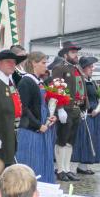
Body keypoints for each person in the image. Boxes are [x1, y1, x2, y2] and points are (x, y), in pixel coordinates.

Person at [15, 51, 57, 183]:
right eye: (43, 63)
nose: (46, 66)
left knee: (43, 163)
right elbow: (24, 108)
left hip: (42, 128)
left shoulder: (39, 81)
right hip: (31, 131)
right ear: (34, 63)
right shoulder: (26, 82)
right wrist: (38, 125)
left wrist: (50, 117)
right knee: (33, 165)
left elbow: (42, 105)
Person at [51, 41, 86, 181]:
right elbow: (56, 88)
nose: (76, 55)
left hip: (77, 109)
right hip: (66, 109)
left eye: (76, 52)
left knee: (71, 141)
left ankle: (67, 169)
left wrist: (84, 107)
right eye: (73, 52)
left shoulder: (77, 68)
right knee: (62, 140)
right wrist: (59, 108)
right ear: (65, 55)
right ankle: (60, 170)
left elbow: (82, 88)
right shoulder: (60, 68)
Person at [71, 56, 100, 176]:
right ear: (83, 68)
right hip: (85, 113)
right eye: (90, 67)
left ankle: (84, 165)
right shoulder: (80, 80)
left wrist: (97, 109)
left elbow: (97, 97)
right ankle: (75, 165)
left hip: (95, 114)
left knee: (91, 139)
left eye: (92, 66)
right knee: (82, 139)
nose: (92, 69)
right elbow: (79, 97)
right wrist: (88, 109)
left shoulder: (92, 82)